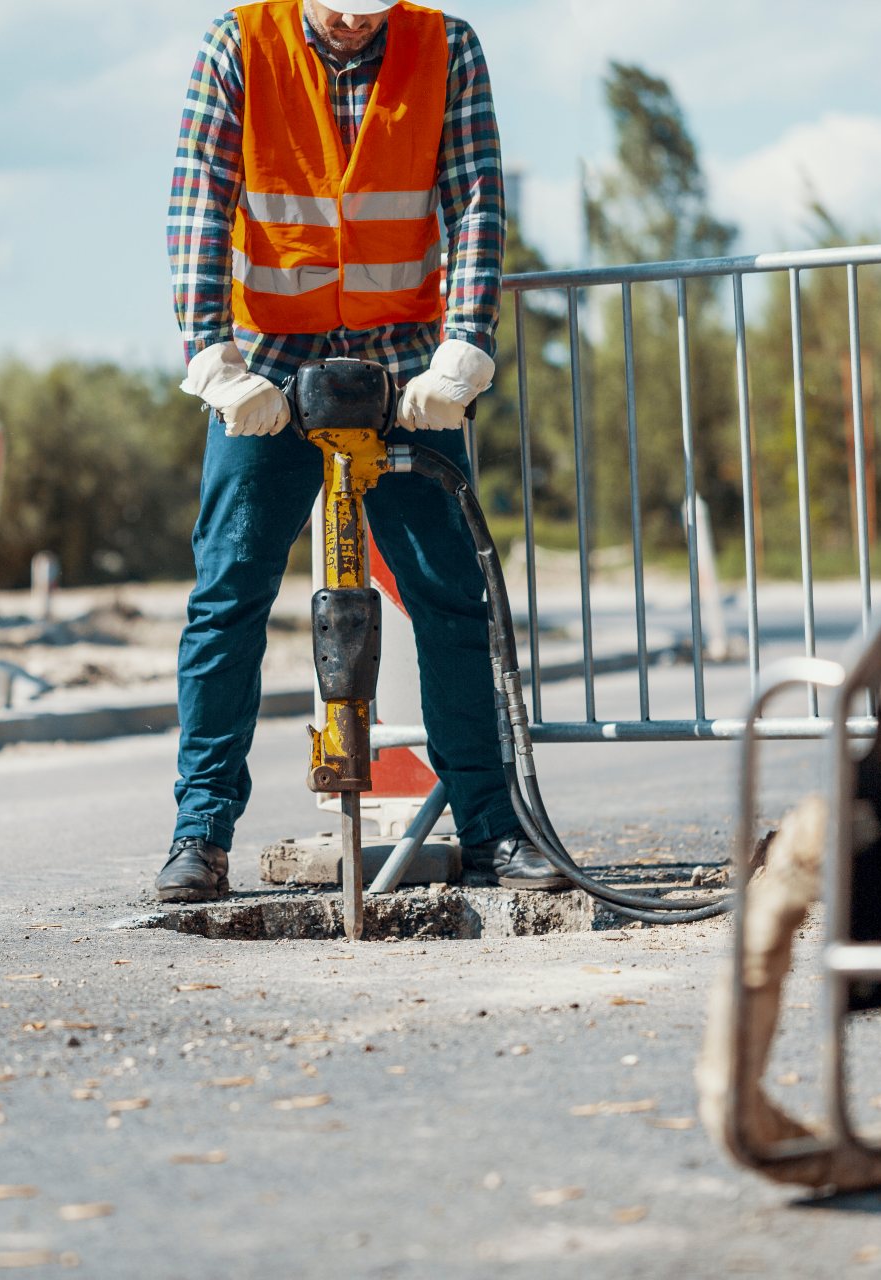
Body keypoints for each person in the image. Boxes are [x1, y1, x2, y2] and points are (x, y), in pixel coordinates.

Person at [159, 0, 569, 902]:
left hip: (405, 367)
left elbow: (472, 201)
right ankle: (200, 837)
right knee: (228, 599)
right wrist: (212, 359)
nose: (353, 25)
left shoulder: (446, 46)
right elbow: (200, 199)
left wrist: (466, 341)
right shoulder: (243, 44)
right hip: (269, 364)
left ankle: (496, 832)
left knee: (454, 601)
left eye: (369, 11)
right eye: (338, 11)